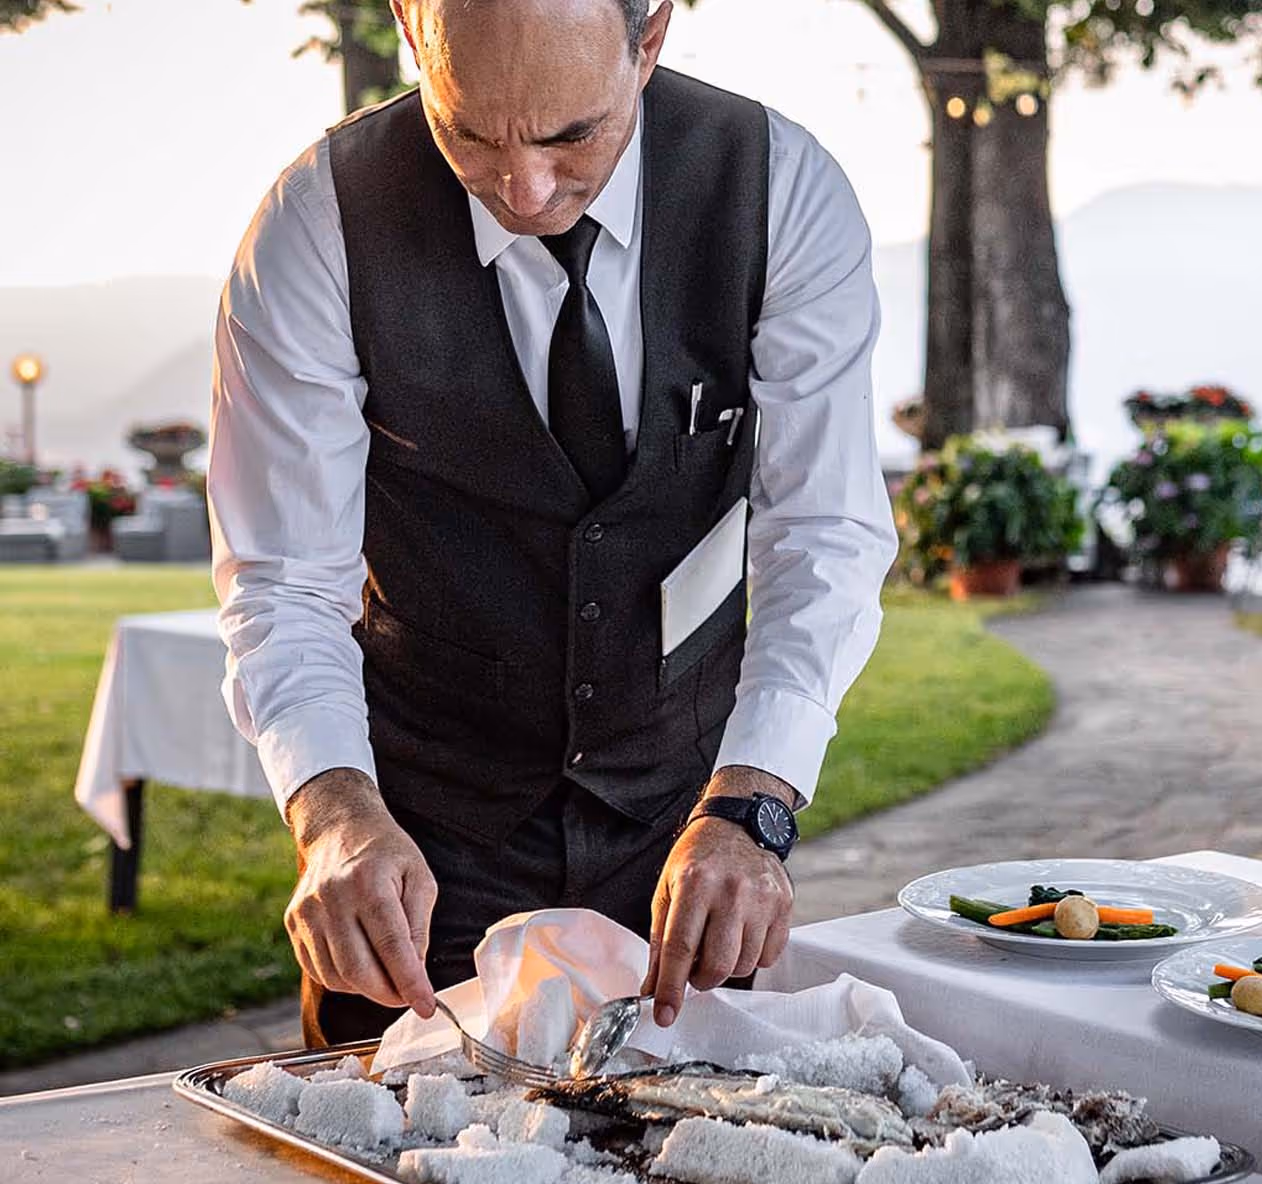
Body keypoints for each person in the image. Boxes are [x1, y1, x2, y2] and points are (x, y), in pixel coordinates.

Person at [208, 0, 895, 1047]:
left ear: (650, 35)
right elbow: (285, 582)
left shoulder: (782, 194)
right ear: (409, 25)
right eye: (469, 130)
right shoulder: (314, 226)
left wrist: (753, 804)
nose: (524, 190)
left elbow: (822, 532)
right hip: (422, 841)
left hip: (686, 814)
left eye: (572, 134)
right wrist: (334, 816)